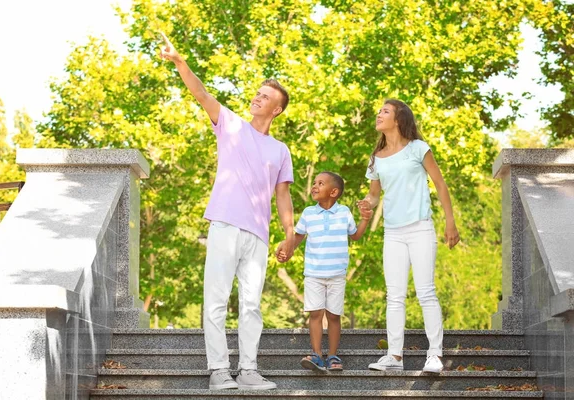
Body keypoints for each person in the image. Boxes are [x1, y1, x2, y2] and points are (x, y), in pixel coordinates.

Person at [160, 32, 295, 390]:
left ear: (276, 109)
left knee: (251, 305)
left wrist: (289, 234)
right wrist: (179, 61)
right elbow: (201, 93)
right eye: (258, 92)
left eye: (266, 97)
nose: (258, 97)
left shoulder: (281, 150)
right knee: (216, 299)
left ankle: (248, 370)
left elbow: (283, 197)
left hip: (258, 235)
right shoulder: (231, 124)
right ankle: (219, 370)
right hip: (224, 224)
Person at [358, 99, 460, 374]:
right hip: (393, 232)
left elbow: (439, 183)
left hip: (420, 228)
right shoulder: (376, 157)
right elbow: (375, 194)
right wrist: (367, 203)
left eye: (385, 111)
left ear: (399, 119)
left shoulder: (418, 148)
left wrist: (450, 223)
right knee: (394, 296)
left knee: (426, 292)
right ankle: (394, 356)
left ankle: (435, 355)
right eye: (379, 111)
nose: (379, 115)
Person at [276, 172, 372, 372]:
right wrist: (287, 249)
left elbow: (355, 236)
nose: (314, 186)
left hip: (337, 274)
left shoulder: (344, 212)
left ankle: (333, 355)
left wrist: (364, 219)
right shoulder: (309, 213)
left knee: (334, 315)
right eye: (314, 182)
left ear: (334, 192)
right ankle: (317, 355)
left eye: (320, 183)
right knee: (315, 313)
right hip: (313, 273)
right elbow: (298, 237)